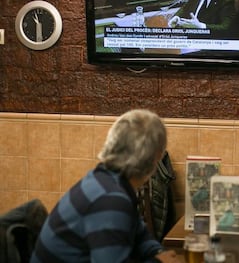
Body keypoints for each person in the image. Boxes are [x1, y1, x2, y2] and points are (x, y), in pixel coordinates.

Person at [30, 109, 180, 263]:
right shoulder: (110, 199)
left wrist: (159, 252)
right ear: (155, 157)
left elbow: (140, 237)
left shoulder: (105, 180)